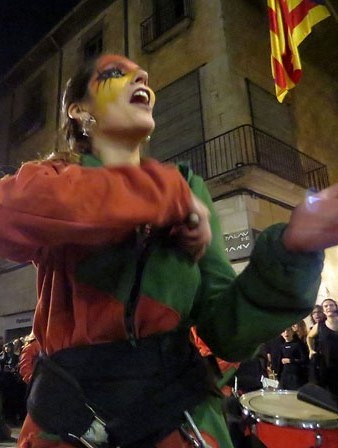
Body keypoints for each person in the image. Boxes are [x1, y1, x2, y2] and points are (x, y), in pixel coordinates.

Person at [0, 53, 337, 448]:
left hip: (180, 425)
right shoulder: (50, 179)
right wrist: (161, 196)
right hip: (69, 429)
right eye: (114, 74)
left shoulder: (188, 189)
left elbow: (226, 331)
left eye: (141, 74)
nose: (142, 75)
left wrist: (294, 248)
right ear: (78, 111)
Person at [307, 298, 338, 395]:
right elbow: (309, 337)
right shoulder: (319, 326)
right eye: (326, 306)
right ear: (323, 311)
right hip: (326, 364)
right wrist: (311, 350)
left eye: (331, 305)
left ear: (336, 307)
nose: (329, 307)